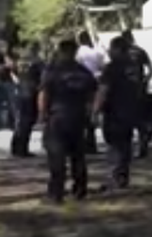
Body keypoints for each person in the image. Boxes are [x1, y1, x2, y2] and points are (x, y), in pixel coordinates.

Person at [39, 38, 98, 204]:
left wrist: (42, 114)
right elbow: (92, 95)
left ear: (60, 51)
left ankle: (56, 193)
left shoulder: (53, 71)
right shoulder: (84, 72)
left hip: (57, 117)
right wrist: (91, 114)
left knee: (57, 156)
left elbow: (44, 94)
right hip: (78, 117)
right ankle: (80, 189)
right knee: (78, 156)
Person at [94, 36, 144, 191]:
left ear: (117, 49)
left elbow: (103, 90)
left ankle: (113, 179)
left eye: (111, 48)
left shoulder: (112, 67)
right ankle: (123, 177)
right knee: (125, 145)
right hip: (130, 109)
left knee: (114, 145)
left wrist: (95, 110)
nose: (109, 51)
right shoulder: (134, 67)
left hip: (114, 111)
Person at [120, 29, 152, 158]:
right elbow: (150, 67)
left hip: (126, 90)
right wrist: (146, 79)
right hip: (139, 89)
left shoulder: (121, 52)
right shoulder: (140, 51)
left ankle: (130, 148)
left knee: (128, 120)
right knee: (140, 119)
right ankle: (142, 145)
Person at [10, 43, 45, 157]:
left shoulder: (21, 61)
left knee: (19, 121)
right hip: (31, 92)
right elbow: (43, 78)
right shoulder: (38, 62)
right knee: (27, 122)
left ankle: (15, 147)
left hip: (19, 91)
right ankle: (22, 149)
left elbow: (12, 72)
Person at [75, 31, 106, 154]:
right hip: (94, 83)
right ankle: (91, 143)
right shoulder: (96, 52)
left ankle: (82, 143)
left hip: (81, 85)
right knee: (92, 112)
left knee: (82, 113)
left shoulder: (78, 53)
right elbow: (102, 66)